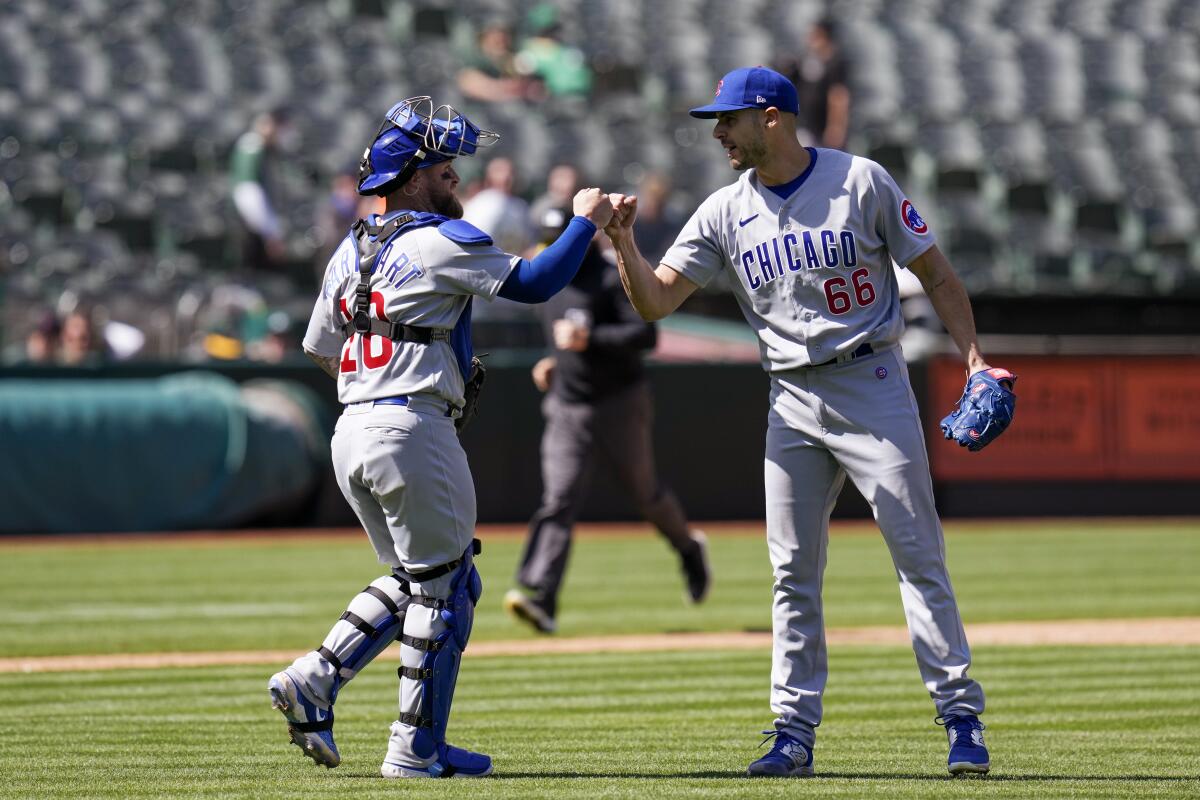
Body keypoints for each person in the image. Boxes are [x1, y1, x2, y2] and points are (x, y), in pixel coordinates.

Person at [602, 66, 1004, 777]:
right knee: (791, 570)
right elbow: (657, 303)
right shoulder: (725, 210)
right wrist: (624, 243)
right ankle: (792, 734)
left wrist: (974, 360)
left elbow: (937, 274)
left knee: (918, 558)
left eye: (729, 120)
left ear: (772, 118)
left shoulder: (860, 181)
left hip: (871, 380)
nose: (719, 133)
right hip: (789, 399)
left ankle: (960, 717)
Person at [269, 95, 613, 780]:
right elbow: (541, 282)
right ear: (409, 176)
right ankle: (413, 745)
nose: (454, 173)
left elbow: (319, 347)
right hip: (410, 425)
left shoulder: (348, 250)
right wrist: (586, 223)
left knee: (427, 580)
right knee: (444, 592)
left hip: (354, 428)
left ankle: (320, 677)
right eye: (442, 165)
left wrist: (399, 354)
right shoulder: (437, 239)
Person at [503, 207, 711, 634]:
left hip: (619, 402)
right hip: (568, 406)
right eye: (547, 243)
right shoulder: (549, 278)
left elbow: (646, 335)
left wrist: (589, 340)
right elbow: (561, 339)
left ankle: (688, 548)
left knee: (645, 495)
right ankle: (542, 596)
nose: (551, 250)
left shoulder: (609, 276)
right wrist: (554, 362)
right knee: (559, 498)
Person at [775, 18, 851, 149]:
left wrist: (836, 127)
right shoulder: (806, 59)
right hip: (805, 126)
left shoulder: (836, 62)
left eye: (816, 35)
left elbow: (838, 95)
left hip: (823, 128)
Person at [230, 109, 291, 272]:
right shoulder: (252, 147)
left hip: (263, 224)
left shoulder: (268, 150)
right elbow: (248, 193)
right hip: (254, 228)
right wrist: (271, 233)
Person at [456, 21, 544, 105]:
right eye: (495, 41)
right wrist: (503, 88)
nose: (501, 42)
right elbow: (467, 80)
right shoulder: (470, 56)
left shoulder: (515, 55)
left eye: (503, 39)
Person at [461, 156, 534, 255]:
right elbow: (475, 243)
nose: (507, 176)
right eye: (500, 171)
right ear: (489, 176)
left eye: (510, 172)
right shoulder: (483, 203)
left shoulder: (519, 206)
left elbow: (528, 244)